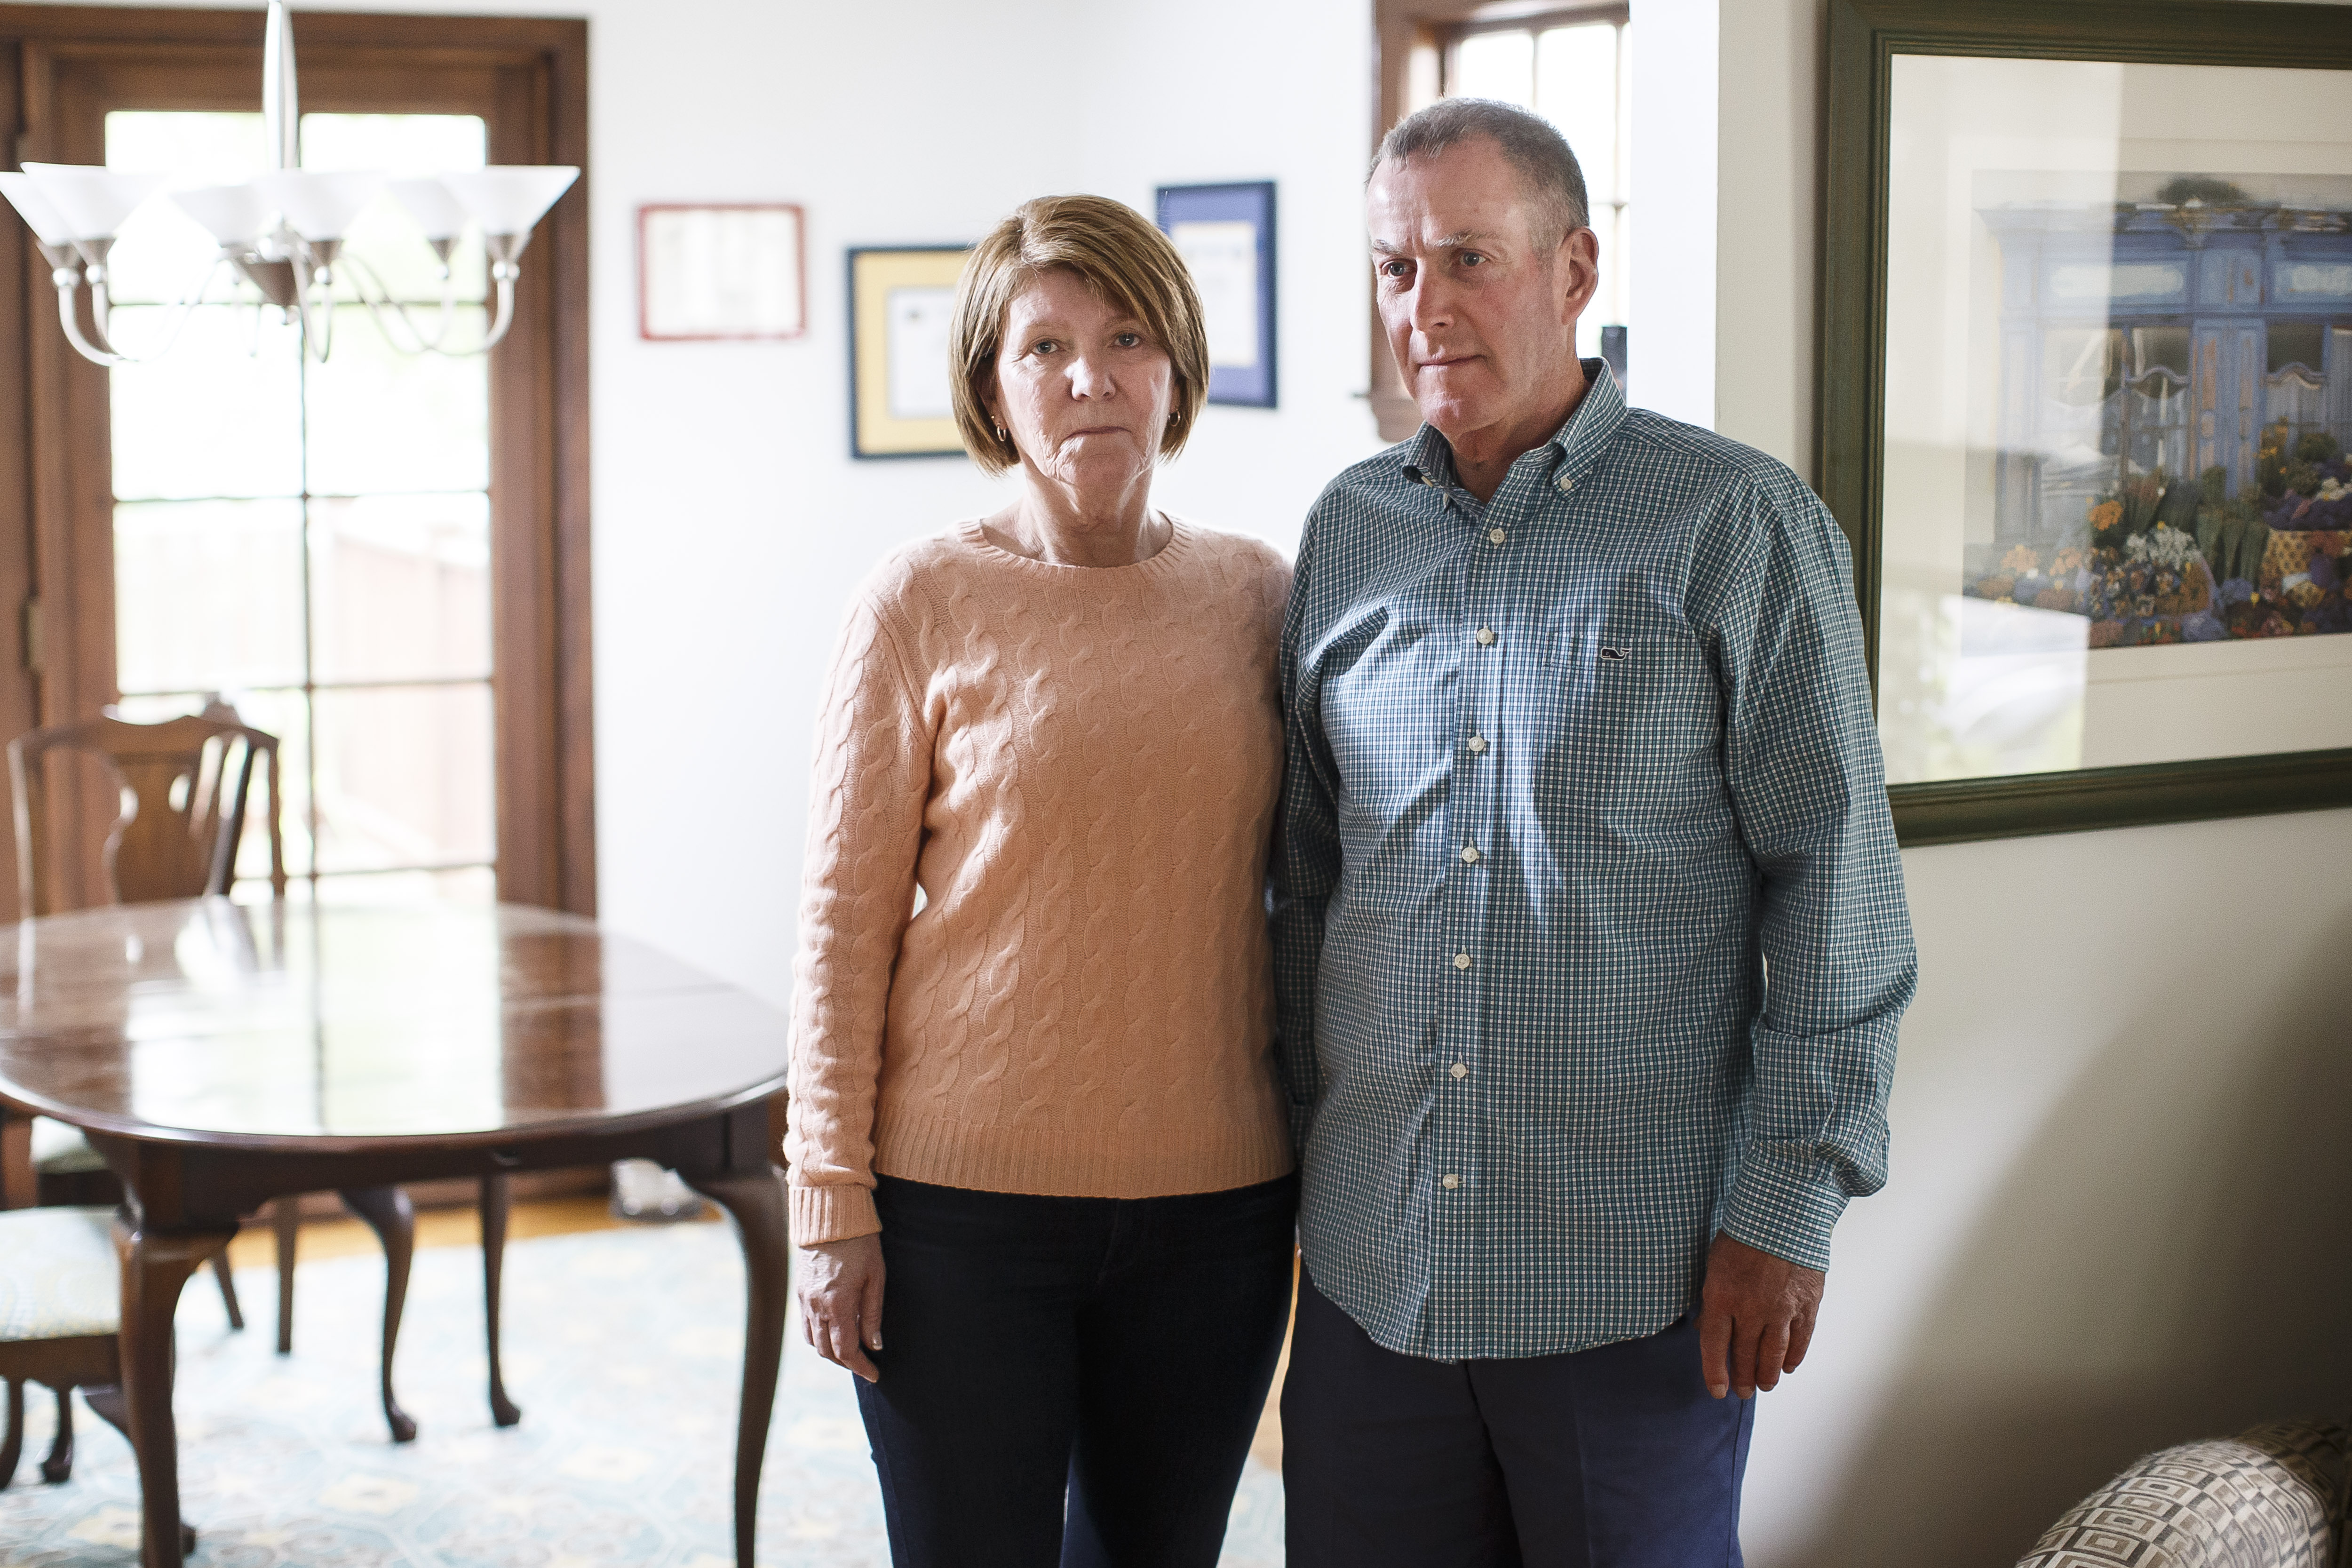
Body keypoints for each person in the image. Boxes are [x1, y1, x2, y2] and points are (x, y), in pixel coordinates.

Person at [1273, 98, 1918, 1567]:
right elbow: (1308, 886)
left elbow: (1838, 892)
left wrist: (1791, 1202)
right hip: (1379, 1277)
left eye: (1466, 259)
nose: (1424, 309)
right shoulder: (1349, 532)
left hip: (1634, 1289)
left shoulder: (1737, 525)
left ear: (1576, 268)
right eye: (1391, 270)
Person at [786, 192, 1298, 1568]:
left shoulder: (1262, 597)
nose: (1090, 378)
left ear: (1178, 363)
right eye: (1046, 348)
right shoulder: (920, 600)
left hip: (1219, 1212)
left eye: (1127, 336)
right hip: (960, 1222)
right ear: (992, 390)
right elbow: (841, 927)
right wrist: (830, 1204)